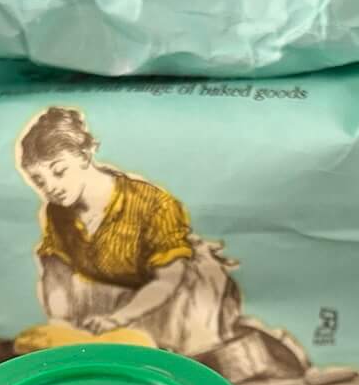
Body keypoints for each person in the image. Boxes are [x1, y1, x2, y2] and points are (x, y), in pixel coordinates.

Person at [16, 105, 249, 356]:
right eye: (39, 181)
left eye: (59, 171)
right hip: (115, 289)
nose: (50, 187)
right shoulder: (57, 211)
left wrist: (118, 319)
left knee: (160, 352)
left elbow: (167, 280)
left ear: (83, 156)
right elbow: (57, 274)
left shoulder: (154, 204)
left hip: (175, 293)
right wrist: (61, 324)